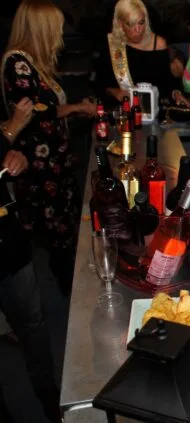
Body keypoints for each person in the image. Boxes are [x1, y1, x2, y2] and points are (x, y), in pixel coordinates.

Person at [1, 0, 97, 296]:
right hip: (38, 166)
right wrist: (75, 108)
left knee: (66, 228)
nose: (60, 34)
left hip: (53, 161)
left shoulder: (33, 62)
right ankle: (71, 294)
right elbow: (38, 110)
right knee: (59, 233)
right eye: (55, 28)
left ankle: (71, 287)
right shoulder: (17, 63)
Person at [1, 97, 61, 422]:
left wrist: (13, 157)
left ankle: (49, 396)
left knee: (33, 323)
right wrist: (12, 130)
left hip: (7, 238)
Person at [97, 0, 188, 107]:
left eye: (141, 22)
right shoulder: (113, 45)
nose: (138, 30)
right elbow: (101, 83)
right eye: (130, 24)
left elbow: (167, 84)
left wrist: (176, 93)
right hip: (123, 109)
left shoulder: (158, 44)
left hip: (154, 109)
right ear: (120, 24)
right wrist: (114, 91)